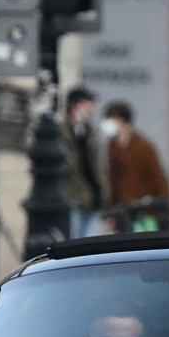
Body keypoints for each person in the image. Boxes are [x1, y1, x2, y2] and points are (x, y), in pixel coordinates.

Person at [102, 100, 169, 228]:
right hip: (122, 213)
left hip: (144, 211)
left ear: (122, 121)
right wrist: (110, 211)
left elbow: (157, 177)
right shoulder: (111, 148)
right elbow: (111, 183)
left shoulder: (142, 147)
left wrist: (168, 207)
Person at [62, 87, 112, 239]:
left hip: (93, 196)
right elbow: (68, 164)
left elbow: (98, 165)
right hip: (74, 196)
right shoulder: (63, 131)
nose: (91, 108)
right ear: (74, 105)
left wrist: (104, 191)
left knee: (85, 241)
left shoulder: (90, 131)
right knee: (73, 239)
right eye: (87, 103)